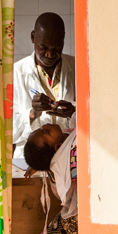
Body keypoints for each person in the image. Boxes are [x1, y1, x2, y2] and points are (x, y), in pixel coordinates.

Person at [13, 12, 76, 159]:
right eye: (43, 47)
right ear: (33, 37)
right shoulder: (15, 74)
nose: (49, 54)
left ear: (63, 40)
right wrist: (32, 113)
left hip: (69, 159)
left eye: (56, 48)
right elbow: (5, 133)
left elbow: (96, 116)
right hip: (27, 161)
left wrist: (73, 111)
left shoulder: (78, 67)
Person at [22, 120, 78, 234]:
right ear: (57, 148)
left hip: (72, 222)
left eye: (42, 129)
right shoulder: (68, 154)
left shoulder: (60, 155)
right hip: (74, 222)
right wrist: (40, 162)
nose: (45, 125)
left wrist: (40, 163)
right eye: (45, 132)